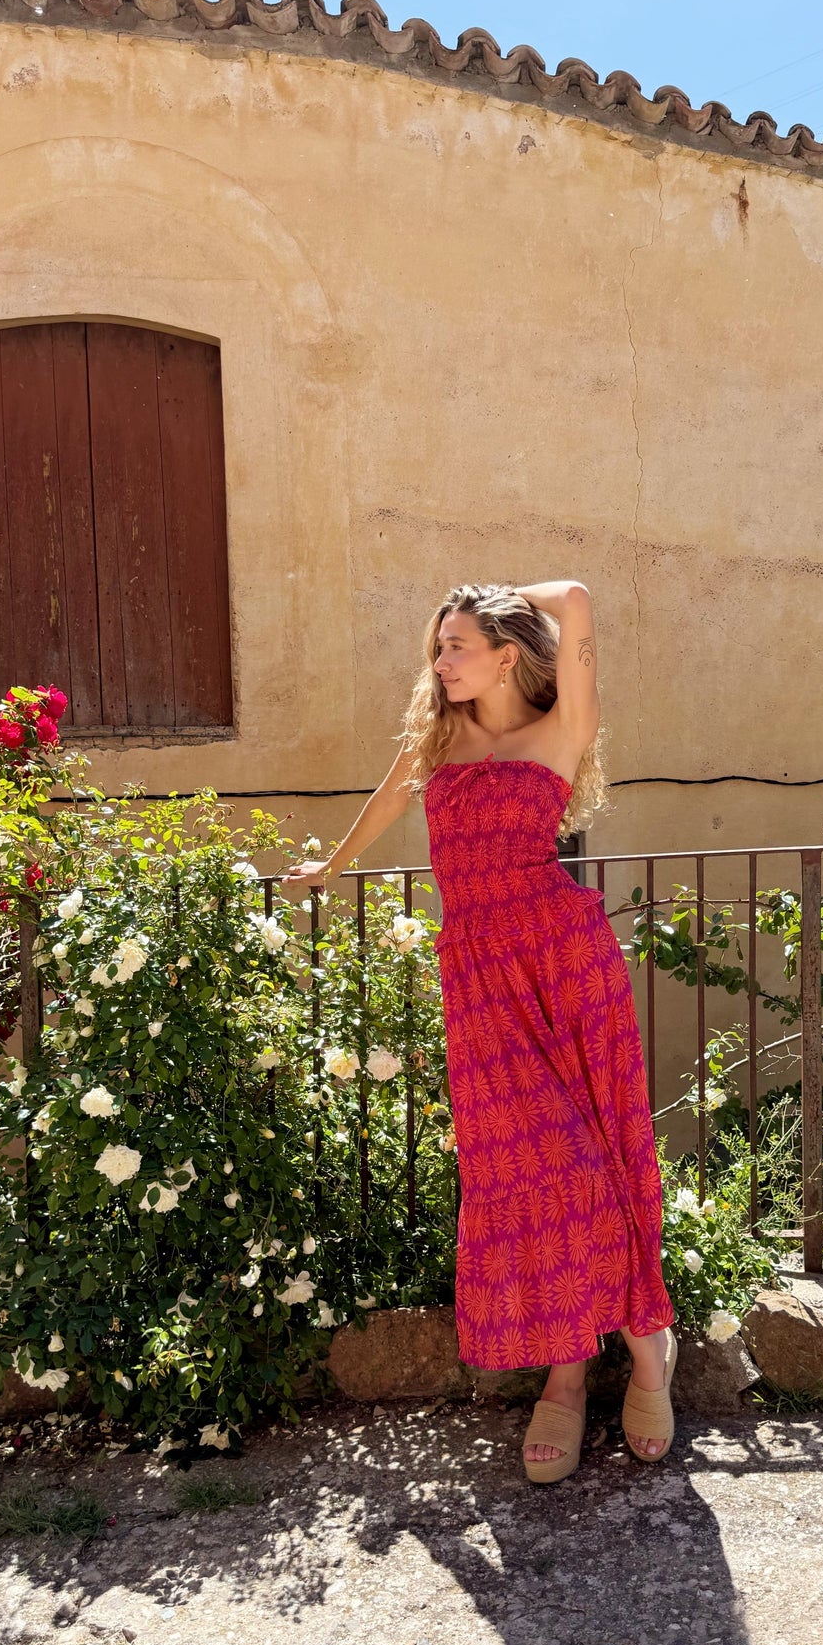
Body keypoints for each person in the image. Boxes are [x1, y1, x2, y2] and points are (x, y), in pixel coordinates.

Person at [282, 581, 676, 1484]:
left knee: (598, 1159)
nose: (440, 661)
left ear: (505, 653)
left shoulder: (559, 731)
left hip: (564, 963)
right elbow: (386, 802)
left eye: (455, 644)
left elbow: (576, 598)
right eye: (437, 647)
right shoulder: (440, 738)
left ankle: (629, 1357)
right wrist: (330, 866)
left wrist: (493, 594)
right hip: (479, 978)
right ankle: (578, 1368)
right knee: (528, 1172)